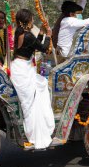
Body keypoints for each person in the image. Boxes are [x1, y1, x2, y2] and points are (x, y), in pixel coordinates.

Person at [10, 9, 55, 149]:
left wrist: (41, 33)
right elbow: (44, 49)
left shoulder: (18, 32)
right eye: (31, 19)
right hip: (23, 69)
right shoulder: (28, 35)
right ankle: (35, 128)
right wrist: (48, 35)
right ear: (27, 20)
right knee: (36, 95)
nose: (33, 21)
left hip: (19, 66)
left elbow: (33, 45)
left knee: (40, 86)